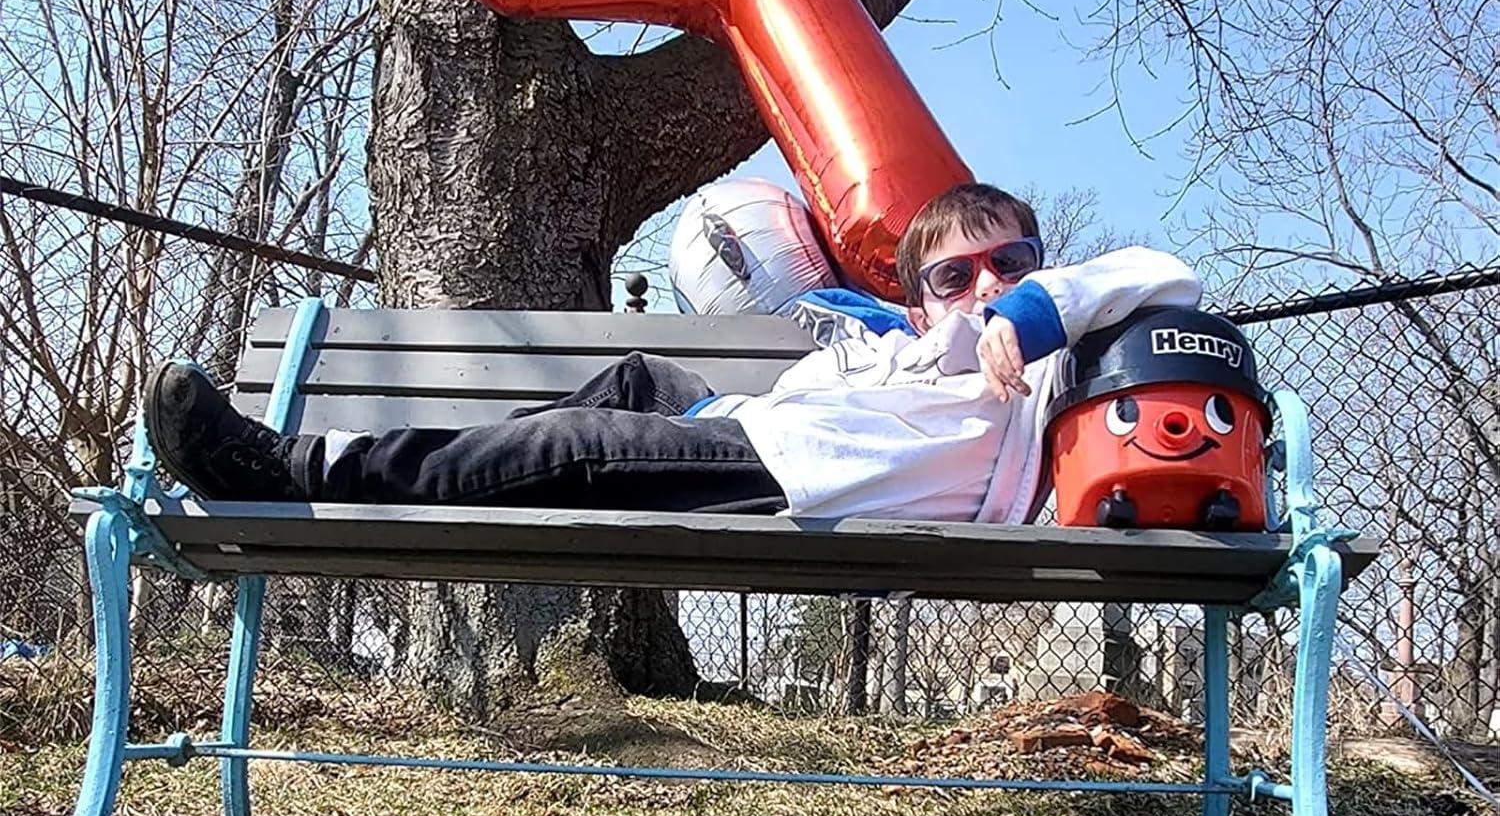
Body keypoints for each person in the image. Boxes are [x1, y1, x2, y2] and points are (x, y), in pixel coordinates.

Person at [147, 184, 1200, 523]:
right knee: (640, 381)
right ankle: (462, 473)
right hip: (757, 436)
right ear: (918, 300)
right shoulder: (898, 350)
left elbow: (1169, 273)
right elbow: (812, 387)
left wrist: (1037, 316)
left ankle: (291, 470)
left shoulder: (1040, 370)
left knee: (576, 443)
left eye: (1010, 263)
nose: (984, 287)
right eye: (954, 277)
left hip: (799, 479)